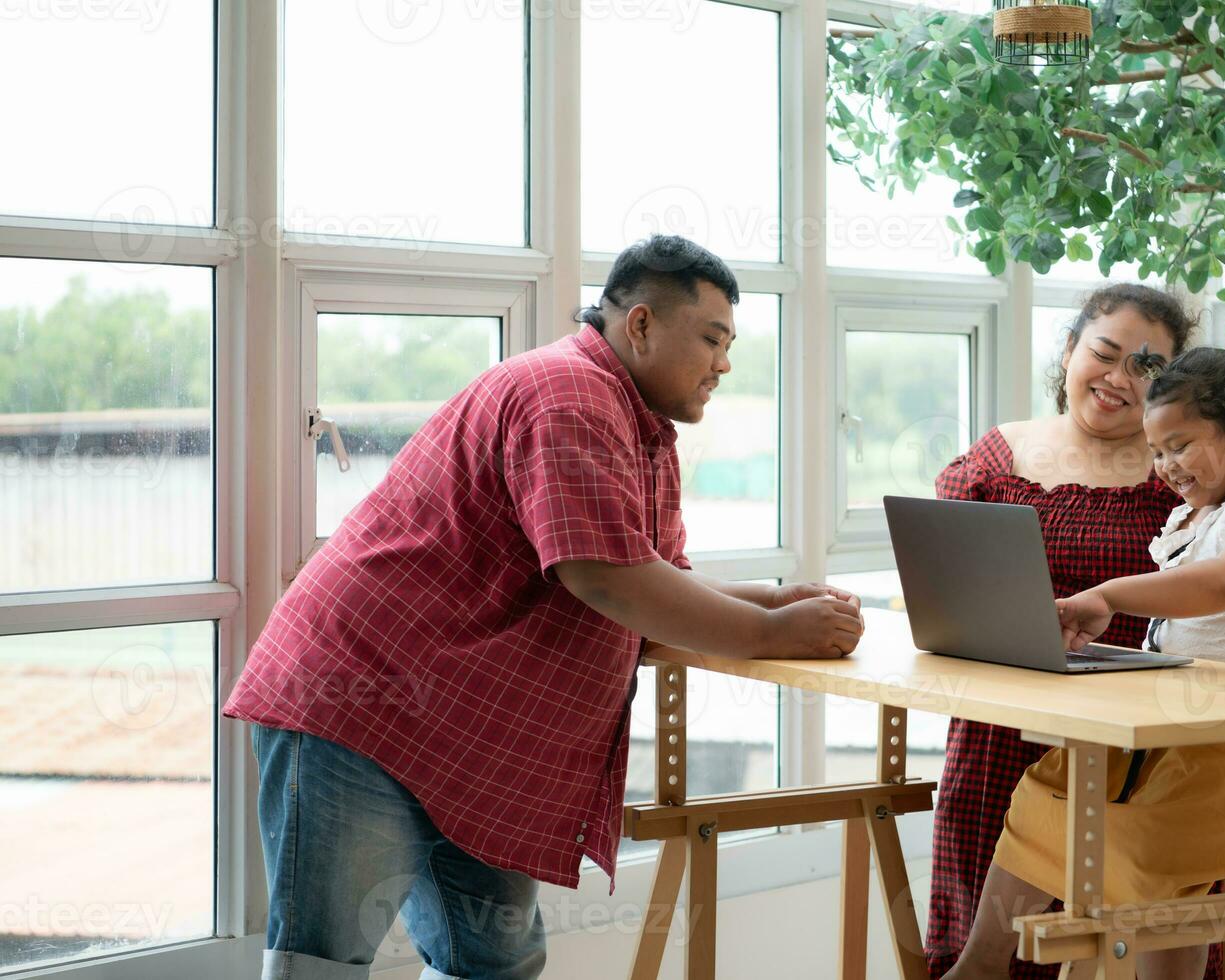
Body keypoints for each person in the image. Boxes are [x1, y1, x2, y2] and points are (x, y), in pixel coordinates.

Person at [223, 235, 864, 980]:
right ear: (643, 326)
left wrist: (778, 599)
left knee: (495, 962)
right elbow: (607, 581)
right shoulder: (569, 395)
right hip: (361, 706)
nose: (724, 364)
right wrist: (768, 629)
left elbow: (652, 580)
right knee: (322, 967)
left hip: (460, 736)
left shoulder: (641, 427)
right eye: (713, 340)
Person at [942, 346, 1225, 980]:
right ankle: (979, 966)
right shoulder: (1200, 515)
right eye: (1156, 451)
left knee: (1149, 843)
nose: (1165, 467)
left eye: (1180, 446)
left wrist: (1108, 595)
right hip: (1181, 735)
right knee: (1046, 787)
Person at [924, 284, 1225, 979]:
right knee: (994, 949)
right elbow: (946, 575)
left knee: (1134, 941)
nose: (1120, 379)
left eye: (1147, 367)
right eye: (1105, 353)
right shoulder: (998, 457)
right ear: (1069, 352)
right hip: (1002, 733)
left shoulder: (1181, 479)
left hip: (1140, 752)